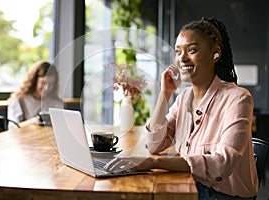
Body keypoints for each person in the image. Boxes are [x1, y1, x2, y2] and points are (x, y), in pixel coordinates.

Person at [104, 17, 258, 199]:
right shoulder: (184, 97)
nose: (182, 58)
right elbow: (154, 144)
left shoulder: (238, 98)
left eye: (191, 50)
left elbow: (221, 164)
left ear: (215, 54)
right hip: (192, 184)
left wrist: (152, 163)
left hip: (222, 195)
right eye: (178, 52)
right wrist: (165, 93)